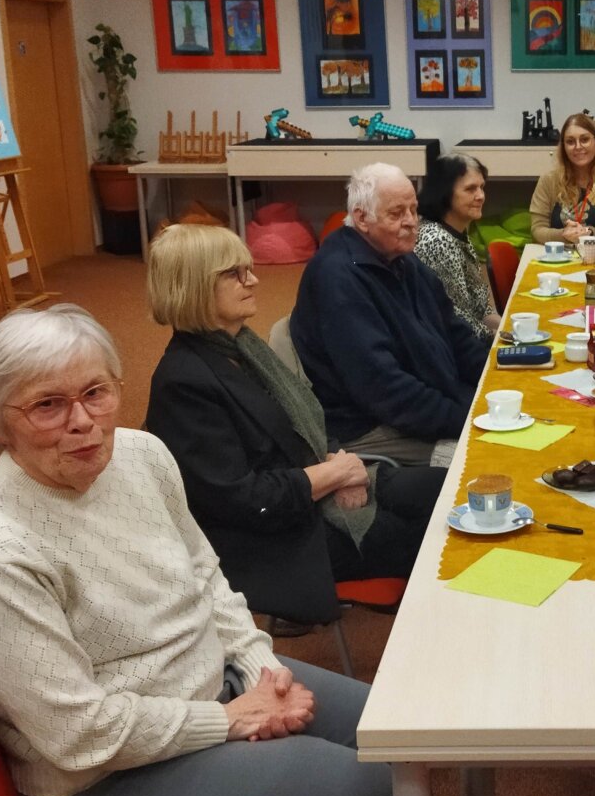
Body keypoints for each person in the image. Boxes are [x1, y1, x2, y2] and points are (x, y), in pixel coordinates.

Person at [0, 304, 398, 796]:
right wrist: (229, 720)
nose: (83, 423)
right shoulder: (2, 553)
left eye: (96, 393)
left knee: (398, 731)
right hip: (101, 788)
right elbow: (80, 736)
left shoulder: (142, 455)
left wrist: (262, 667)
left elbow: (206, 576)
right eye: (47, 406)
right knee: (365, 790)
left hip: (221, 688)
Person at [145, 224, 446, 628]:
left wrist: (342, 469)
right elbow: (245, 501)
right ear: (196, 285)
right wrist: (334, 473)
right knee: (438, 534)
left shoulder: (241, 348)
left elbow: (308, 421)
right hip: (277, 538)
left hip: (313, 487)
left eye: (248, 268)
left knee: (446, 491)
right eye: (235, 273)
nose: (253, 279)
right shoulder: (184, 382)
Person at [291, 162, 490, 467]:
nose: (412, 222)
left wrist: (494, 385)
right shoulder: (338, 277)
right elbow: (384, 388)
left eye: (414, 210)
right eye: (397, 214)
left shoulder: (401, 258)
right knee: (487, 458)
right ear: (361, 218)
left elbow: (455, 333)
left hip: (427, 401)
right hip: (369, 426)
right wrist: (468, 418)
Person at [416, 153, 499, 342]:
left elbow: (481, 309)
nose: (481, 196)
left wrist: (510, 329)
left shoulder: (457, 232)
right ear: (445, 193)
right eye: (470, 189)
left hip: (471, 340)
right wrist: (506, 339)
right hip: (454, 352)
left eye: (481, 187)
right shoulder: (437, 241)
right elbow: (459, 322)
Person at [529, 113, 595, 245]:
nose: (578, 147)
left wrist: (588, 233)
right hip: (558, 260)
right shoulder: (548, 181)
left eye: (584, 140)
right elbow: (537, 231)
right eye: (570, 142)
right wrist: (564, 235)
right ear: (564, 147)